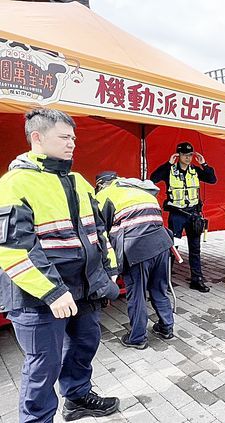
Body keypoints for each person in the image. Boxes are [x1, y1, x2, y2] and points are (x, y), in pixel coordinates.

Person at [0, 108, 120, 422]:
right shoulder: (14, 183)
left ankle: (78, 398)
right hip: (36, 297)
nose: (72, 144)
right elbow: (14, 249)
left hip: (83, 290)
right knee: (43, 366)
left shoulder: (79, 181)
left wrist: (108, 272)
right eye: (64, 137)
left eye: (74, 137)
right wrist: (53, 292)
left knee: (85, 345)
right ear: (37, 138)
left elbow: (97, 232)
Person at [95, 172, 175, 349]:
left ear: (101, 185)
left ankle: (137, 337)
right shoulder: (138, 188)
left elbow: (101, 232)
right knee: (159, 288)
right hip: (162, 243)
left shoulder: (103, 195)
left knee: (137, 293)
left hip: (136, 248)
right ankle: (166, 327)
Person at [150, 142, 216, 293]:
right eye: (185, 155)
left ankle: (197, 280)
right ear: (178, 155)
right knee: (173, 248)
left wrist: (204, 163)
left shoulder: (195, 171)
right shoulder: (170, 171)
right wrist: (168, 163)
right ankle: (165, 280)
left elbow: (212, 179)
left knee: (195, 248)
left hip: (193, 215)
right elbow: (153, 178)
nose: (188, 158)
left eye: (190, 155)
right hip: (177, 215)